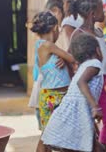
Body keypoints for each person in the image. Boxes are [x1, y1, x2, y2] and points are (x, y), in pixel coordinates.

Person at [69, 0, 106, 151]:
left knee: (100, 124)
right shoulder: (79, 34)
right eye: (102, 9)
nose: (105, 11)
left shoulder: (98, 31)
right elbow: (70, 57)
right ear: (92, 14)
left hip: (100, 84)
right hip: (90, 85)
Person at [41, 33, 104, 152]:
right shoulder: (95, 64)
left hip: (71, 113)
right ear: (98, 50)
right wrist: (95, 107)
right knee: (92, 147)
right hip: (77, 113)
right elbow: (82, 82)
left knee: (86, 146)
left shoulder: (83, 66)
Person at [30, 11, 76, 152]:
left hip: (53, 96)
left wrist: (62, 58)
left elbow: (66, 58)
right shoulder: (48, 46)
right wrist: (65, 57)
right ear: (55, 28)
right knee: (49, 137)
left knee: (48, 136)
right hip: (54, 97)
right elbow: (72, 58)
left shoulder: (43, 46)